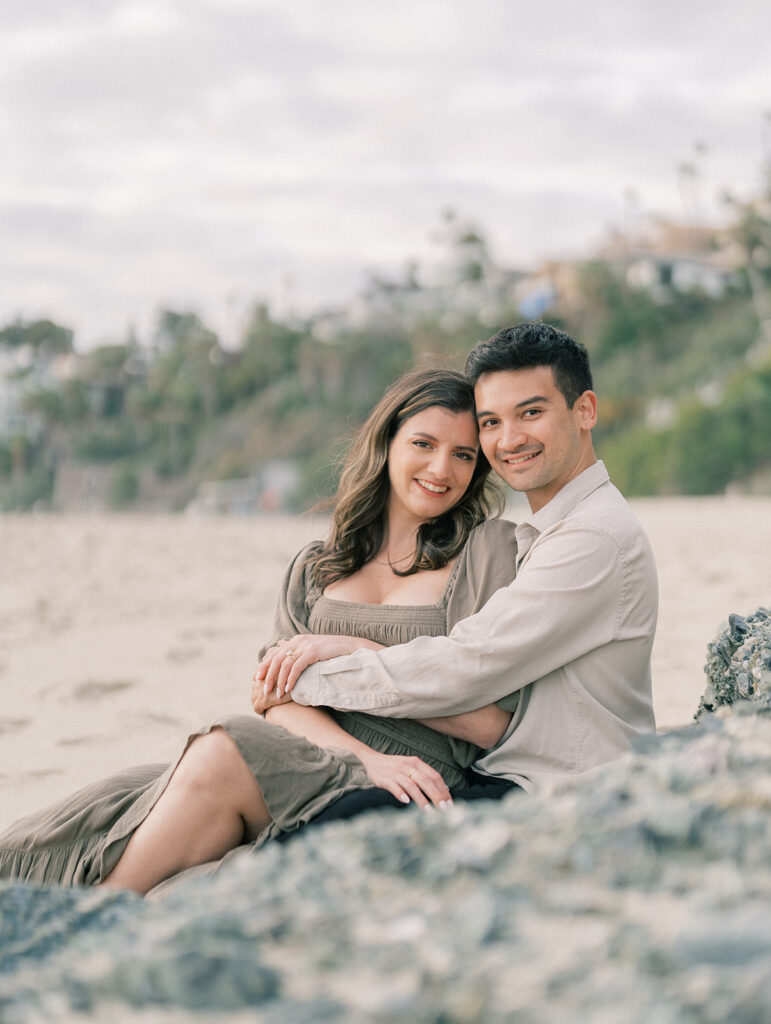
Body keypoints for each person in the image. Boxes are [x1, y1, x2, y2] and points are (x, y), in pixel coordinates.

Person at [0, 368, 520, 894]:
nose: (440, 468)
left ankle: (88, 921)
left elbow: (491, 723)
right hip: (324, 757)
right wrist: (364, 757)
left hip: (416, 774)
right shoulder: (318, 565)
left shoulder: (486, 554)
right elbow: (274, 698)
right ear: (386, 445)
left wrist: (358, 651)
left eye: (463, 454)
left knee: (226, 747)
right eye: (424, 444)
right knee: (99, 807)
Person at [258, 321, 658, 797]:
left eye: (530, 412)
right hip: (513, 780)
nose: (509, 440)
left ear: (585, 410)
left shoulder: (590, 538)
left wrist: (322, 669)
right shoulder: (552, 530)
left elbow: (468, 666)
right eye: (492, 422)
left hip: (563, 792)